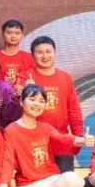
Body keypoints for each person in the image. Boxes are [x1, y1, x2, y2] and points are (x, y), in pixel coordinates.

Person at [0, 85, 93, 187]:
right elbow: (7, 161)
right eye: (32, 99)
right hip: (29, 186)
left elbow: (62, 140)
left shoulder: (45, 127)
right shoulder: (11, 130)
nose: (37, 104)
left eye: (41, 101)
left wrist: (82, 141)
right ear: (22, 102)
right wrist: (3, 186)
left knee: (72, 179)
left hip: (50, 181)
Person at [21, 36, 83, 173]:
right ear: (32, 55)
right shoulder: (26, 77)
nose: (44, 56)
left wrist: (77, 136)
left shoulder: (65, 77)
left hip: (62, 140)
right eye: (40, 52)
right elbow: (15, 104)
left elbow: (73, 109)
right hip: (34, 140)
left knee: (66, 180)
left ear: (55, 52)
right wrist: (21, 90)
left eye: (48, 51)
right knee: (39, 182)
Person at [0, 19, 35, 86]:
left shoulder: (29, 57)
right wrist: (3, 82)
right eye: (9, 33)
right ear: (2, 34)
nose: (13, 36)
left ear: (22, 36)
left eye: (17, 33)